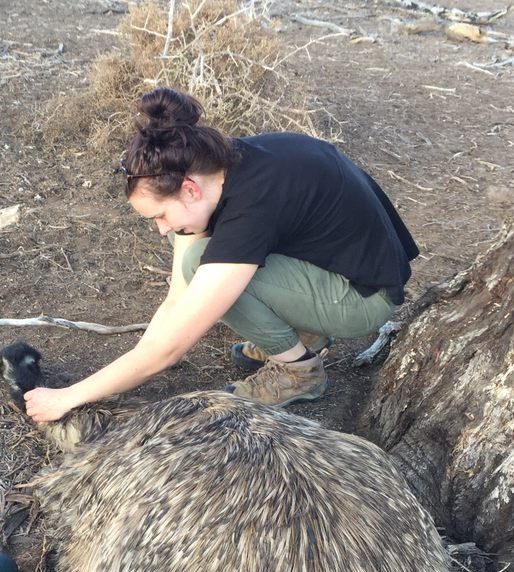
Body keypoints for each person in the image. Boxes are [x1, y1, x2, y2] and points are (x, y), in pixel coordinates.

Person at [24, 86, 419, 423]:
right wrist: (150, 343)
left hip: (363, 299)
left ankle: (300, 372)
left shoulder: (249, 210)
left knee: (204, 263)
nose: (161, 227)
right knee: (196, 255)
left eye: (160, 215)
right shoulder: (226, 163)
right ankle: (301, 330)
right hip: (344, 266)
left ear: (189, 189)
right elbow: (178, 295)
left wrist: (68, 397)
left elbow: (172, 347)